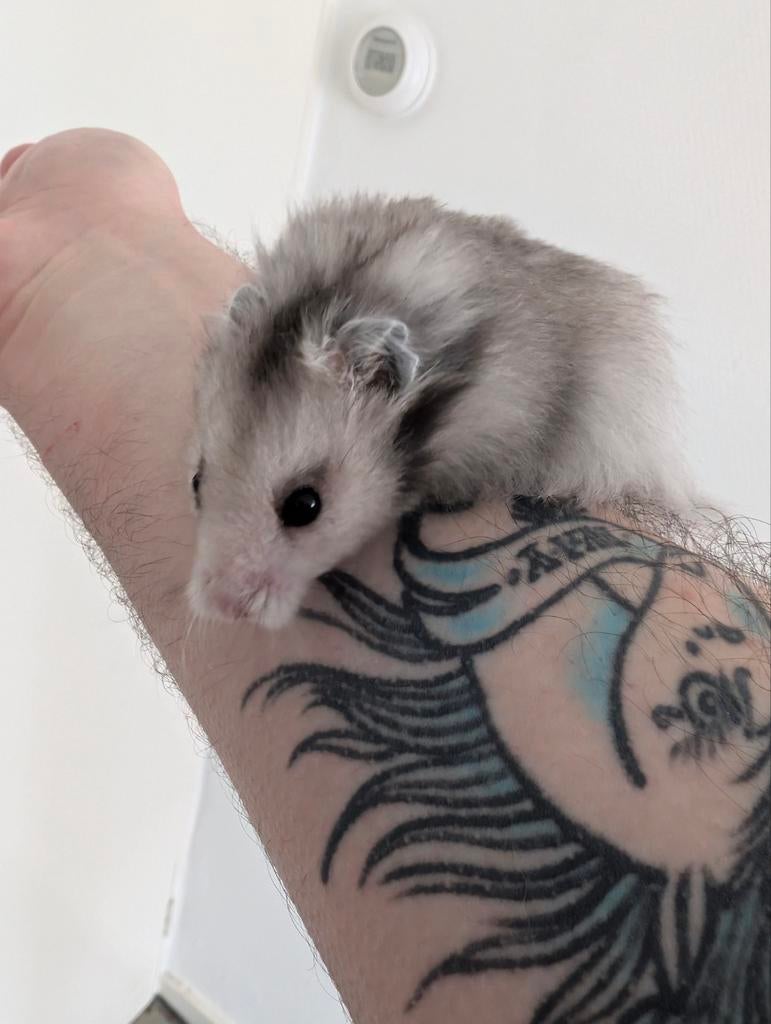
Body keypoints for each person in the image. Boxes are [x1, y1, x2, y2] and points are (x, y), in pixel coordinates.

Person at [1, 129, 768, 1024]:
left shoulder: (504, 378)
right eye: (202, 482)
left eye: (301, 506)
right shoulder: (304, 339)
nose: (222, 590)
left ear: (388, 375)